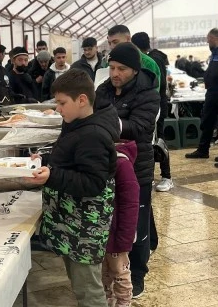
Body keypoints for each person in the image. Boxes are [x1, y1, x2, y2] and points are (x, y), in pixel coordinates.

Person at [26, 68, 119, 307]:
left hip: (85, 229)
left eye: (61, 103)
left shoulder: (94, 134)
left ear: (82, 100)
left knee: (87, 288)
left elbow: (93, 183)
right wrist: (46, 161)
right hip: (73, 225)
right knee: (78, 283)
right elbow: (70, 159)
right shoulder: (76, 123)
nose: (57, 108)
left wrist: (52, 176)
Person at [96, 43, 160, 299]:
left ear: (134, 70)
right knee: (116, 224)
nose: (114, 74)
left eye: (121, 68)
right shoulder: (103, 90)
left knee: (137, 226)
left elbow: (140, 127)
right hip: (109, 167)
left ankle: (137, 275)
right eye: (111, 68)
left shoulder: (148, 93)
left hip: (137, 169)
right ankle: (113, 274)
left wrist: (106, 122)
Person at [131, 31, 174, 192]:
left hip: (156, 105)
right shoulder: (149, 58)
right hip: (151, 104)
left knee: (159, 140)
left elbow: (158, 86)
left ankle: (167, 176)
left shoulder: (152, 61)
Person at [102, 140, 140, 306]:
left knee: (120, 273)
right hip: (102, 233)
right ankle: (105, 301)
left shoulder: (122, 164)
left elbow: (130, 205)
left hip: (118, 236)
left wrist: (124, 239)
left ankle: (124, 303)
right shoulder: (99, 159)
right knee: (103, 274)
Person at [185, 28, 218, 160]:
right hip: (211, 92)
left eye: (208, 39)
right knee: (207, 119)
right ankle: (203, 150)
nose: (207, 41)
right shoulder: (215, 52)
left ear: (214, 38)